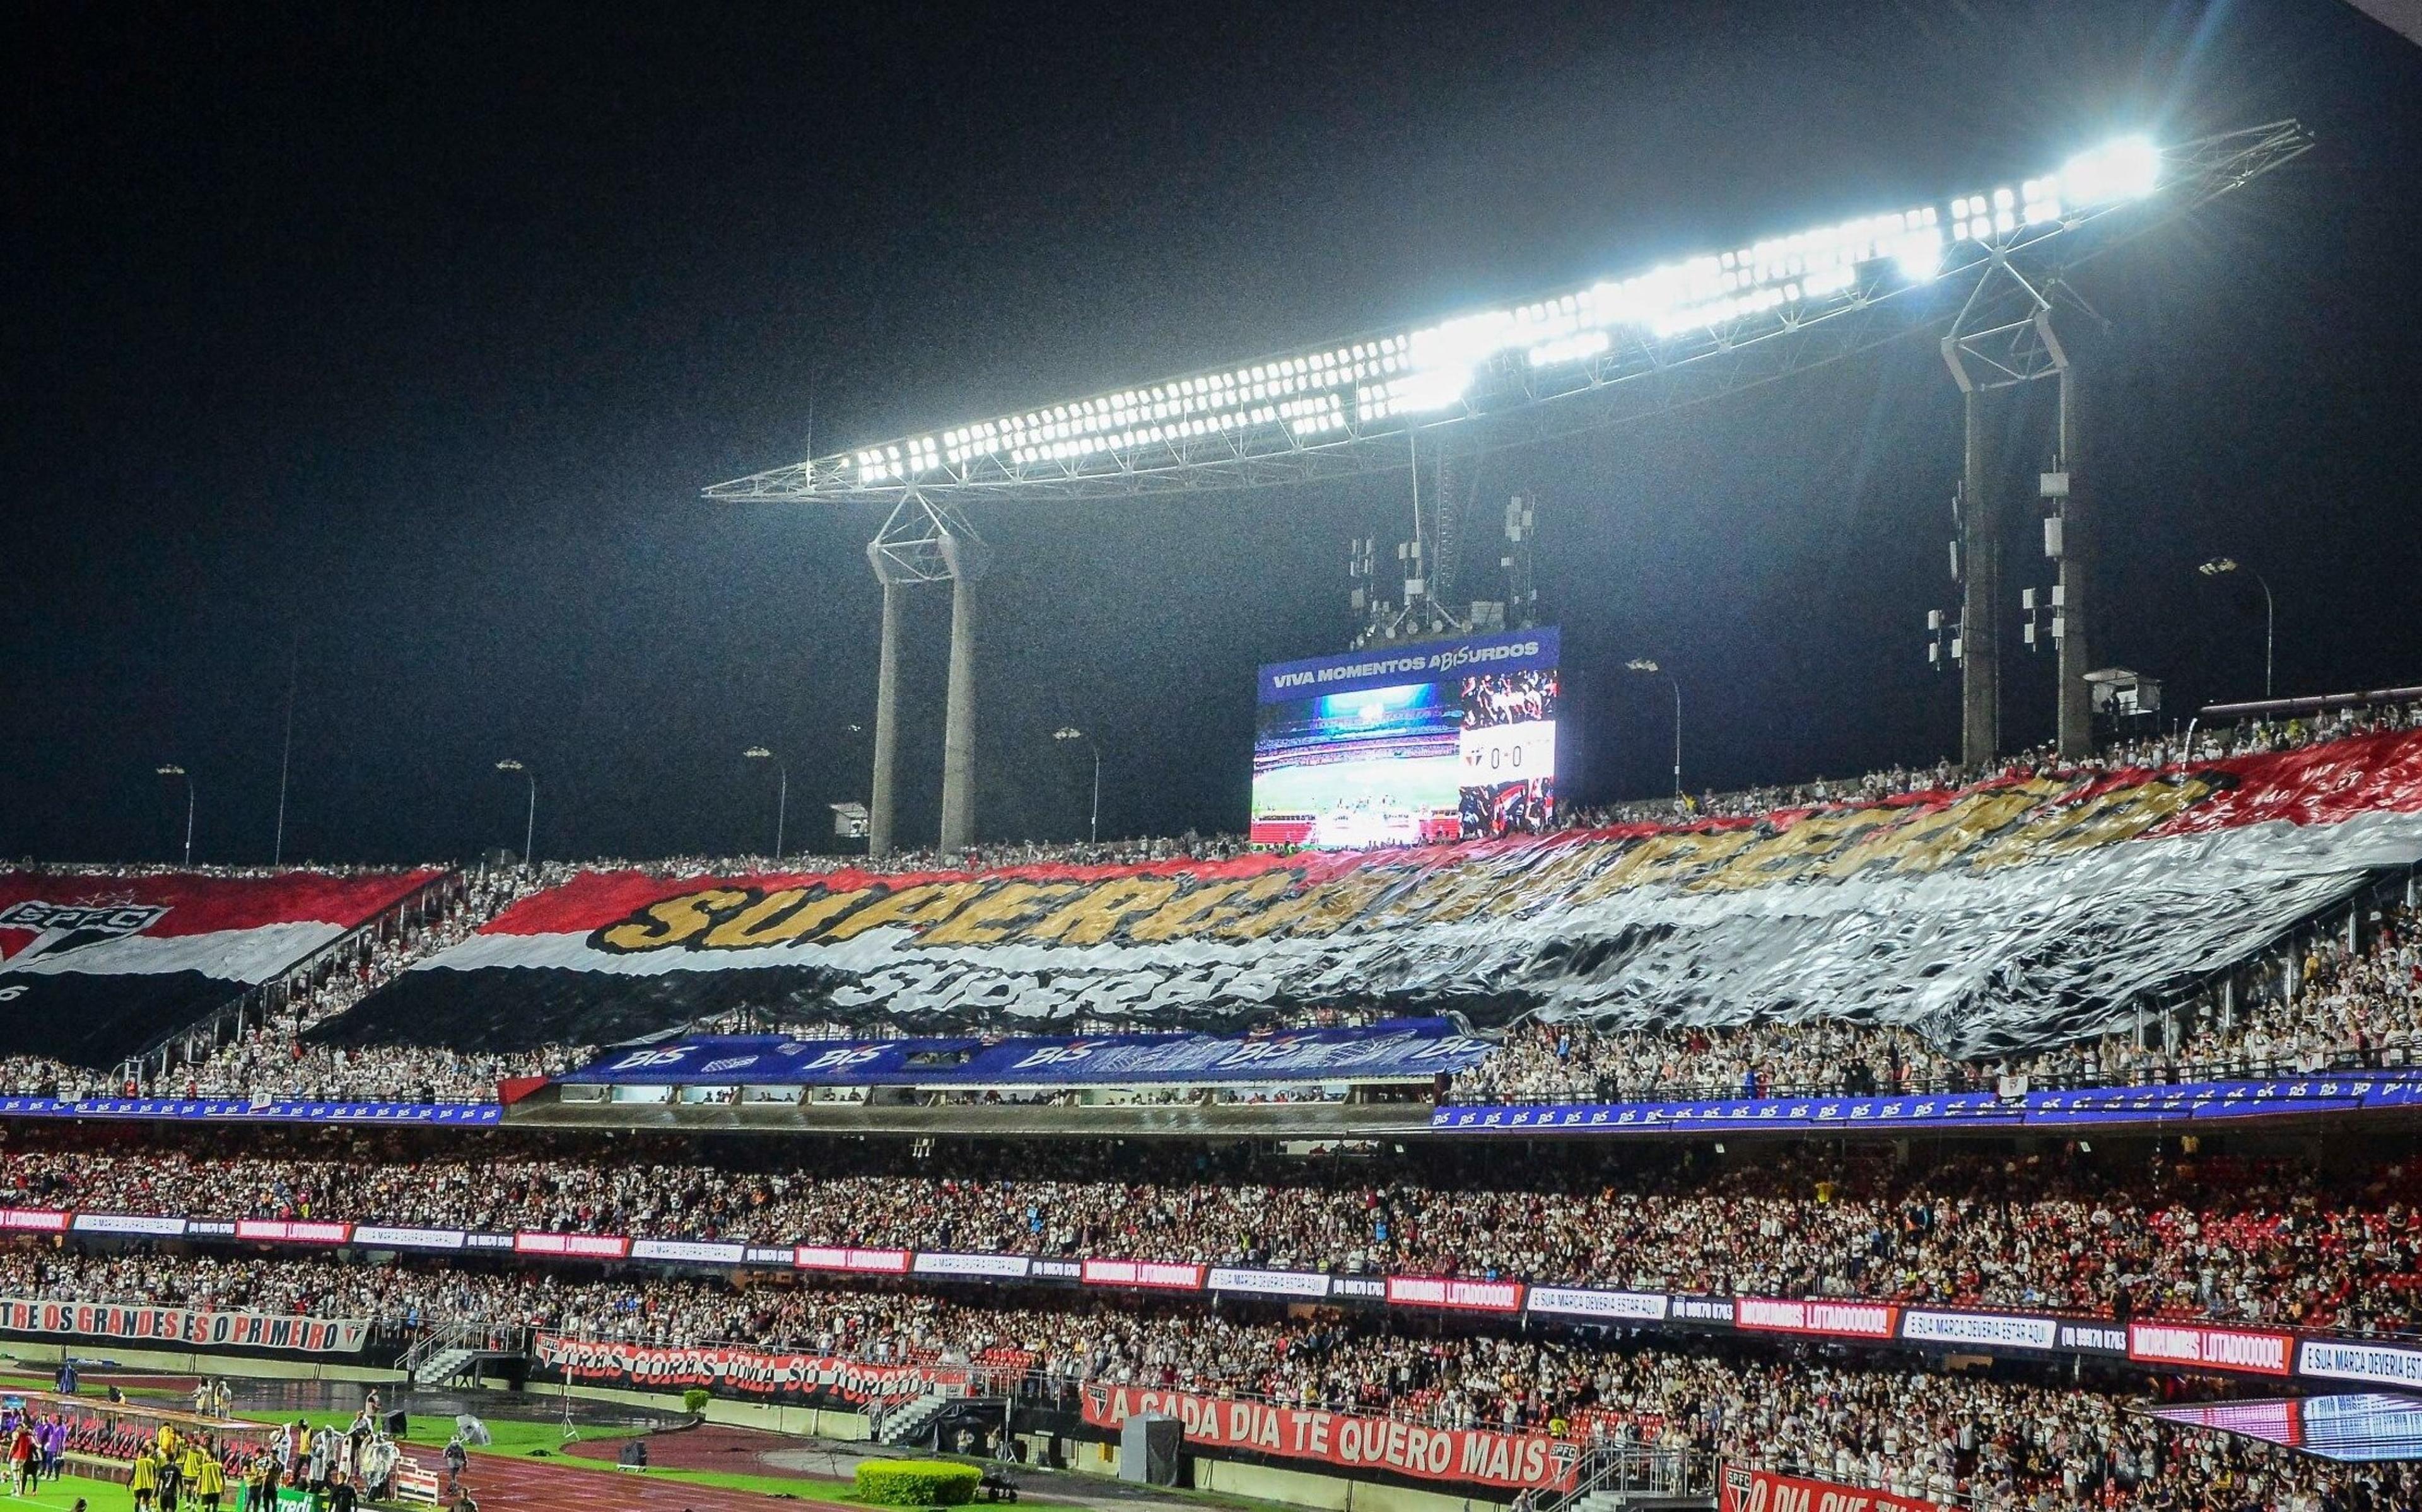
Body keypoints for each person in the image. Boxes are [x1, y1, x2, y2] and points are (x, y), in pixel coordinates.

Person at [131, 1445, 160, 1512]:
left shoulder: (137, 1463)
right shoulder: (152, 1462)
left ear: (144, 1455)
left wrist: (128, 1483)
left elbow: (133, 1474)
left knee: (138, 1501)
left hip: (140, 1485)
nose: (139, 1456)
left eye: (140, 1454)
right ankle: (147, 1510)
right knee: (145, 1501)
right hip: (148, 1485)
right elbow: (154, 1474)